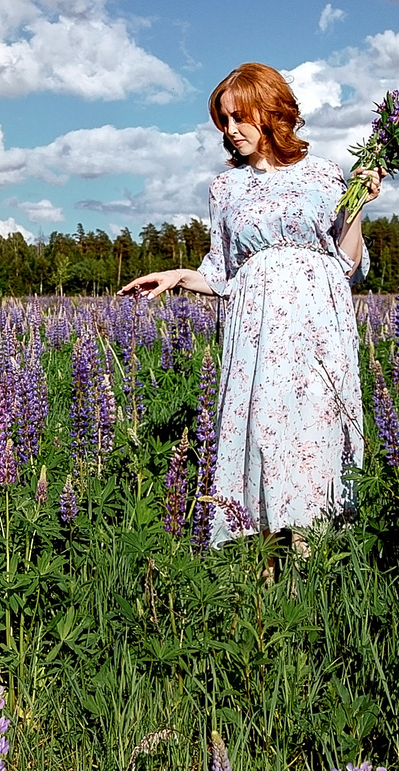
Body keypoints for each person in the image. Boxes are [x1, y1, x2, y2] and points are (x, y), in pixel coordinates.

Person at [119, 63, 380, 544]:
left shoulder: (324, 173)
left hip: (318, 316)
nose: (232, 131)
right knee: (261, 425)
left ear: (271, 111)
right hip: (255, 322)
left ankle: (312, 548)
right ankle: (264, 551)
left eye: (240, 117)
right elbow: (221, 272)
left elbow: (347, 261)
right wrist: (178, 276)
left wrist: (359, 204)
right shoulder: (225, 187)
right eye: (224, 121)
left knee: (316, 423)